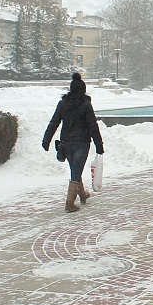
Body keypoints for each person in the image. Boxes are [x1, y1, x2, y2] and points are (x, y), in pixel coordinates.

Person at [42, 73, 104, 212]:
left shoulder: (63, 104)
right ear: (83, 89)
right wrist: (99, 145)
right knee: (76, 172)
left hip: (66, 143)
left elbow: (54, 122)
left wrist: (46, 139)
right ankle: (69, 203)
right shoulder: (86, 105)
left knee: (75, 170)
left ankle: (82, 194)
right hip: (82, 142)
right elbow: (92, 125)